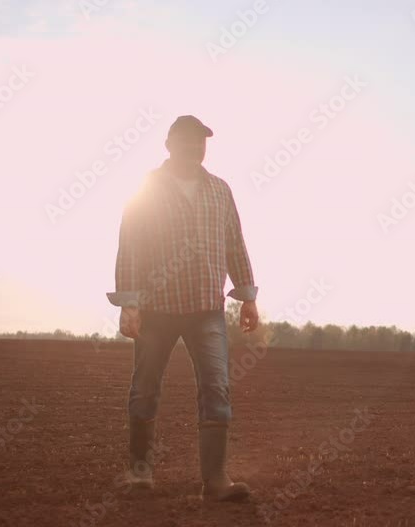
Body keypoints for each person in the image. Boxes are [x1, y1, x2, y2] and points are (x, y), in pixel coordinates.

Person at [106, 115, 259, 501]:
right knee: (145, 387)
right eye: (187, 140)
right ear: (169, 144)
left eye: (200, 141)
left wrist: (247, 296)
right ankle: (140, 472)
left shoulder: (219, 190)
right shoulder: (148, 188)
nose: (195, 147)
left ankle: (216, 480)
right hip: (157, 309)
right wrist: (129, 304)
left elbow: (234, 243)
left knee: (217, 388)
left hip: (207, 308)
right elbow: (130, 247)